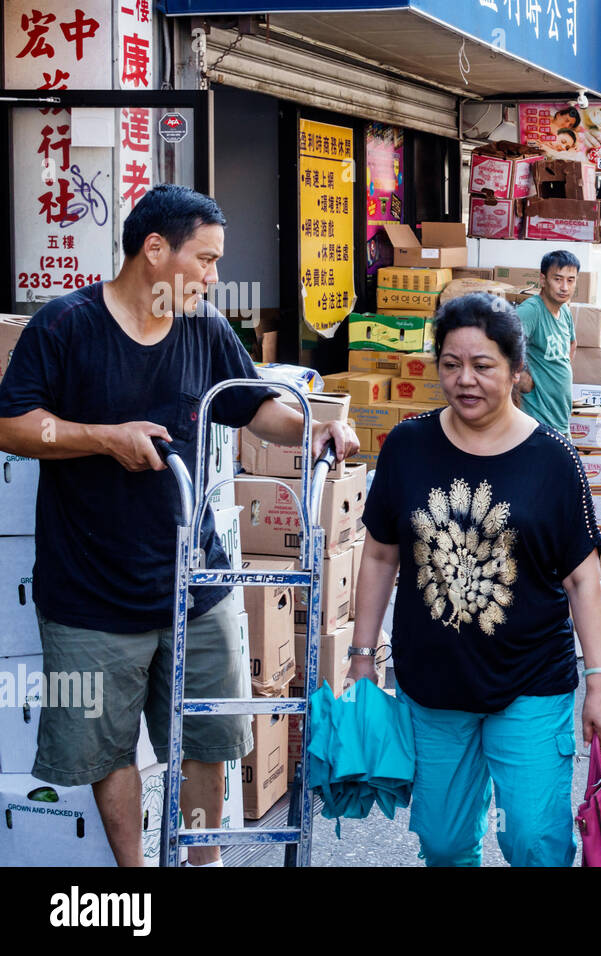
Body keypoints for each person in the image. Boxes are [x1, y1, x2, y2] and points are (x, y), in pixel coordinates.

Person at [0, 184, 359, 867]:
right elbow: (13, 425)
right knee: (105, 748)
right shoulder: (66, 324)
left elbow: (257, 408)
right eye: (207, 259)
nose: (215, 277)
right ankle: (136, 880)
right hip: (89, 591)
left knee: (209, 737)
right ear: (155, 249)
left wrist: (315, 428)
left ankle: (204, 860)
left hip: (197, 579)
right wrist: (103, 437)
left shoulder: (204, 326)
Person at [349, 292, 601, 867]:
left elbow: (583, 581)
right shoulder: (407, 446)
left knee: (534, 842)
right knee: (445, 844)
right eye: (451, 365)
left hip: (531, 680)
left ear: (516, 370)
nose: (464, 380)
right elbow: (379, 556)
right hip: (432, 685)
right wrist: (361, 654)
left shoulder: (553, 458)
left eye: (483, 366)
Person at [516, 249, 579, 433]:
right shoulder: (532, 310)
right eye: (557, 279)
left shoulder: (564, 310)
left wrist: (558, 373)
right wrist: (521, 377)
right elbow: (501, 344)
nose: (564, 287)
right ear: (543, 280)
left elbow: (572, 344)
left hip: (560, 419)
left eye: (570, 280)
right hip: (535, 422)